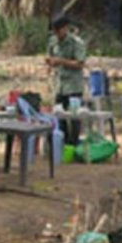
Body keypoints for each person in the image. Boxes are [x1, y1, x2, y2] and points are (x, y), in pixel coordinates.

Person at [46, 14, 86, 145]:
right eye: (54, 31)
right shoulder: (52, 41)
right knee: (59, 114)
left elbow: (80, 64)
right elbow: (50, 56)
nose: (57, 34)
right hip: (60, 85)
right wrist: (50, 63)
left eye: (59, 30)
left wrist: (61, 61)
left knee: (74, 117)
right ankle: (63, 142)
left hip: (74, 85)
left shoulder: (77, 43)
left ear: (66, 28)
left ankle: (74, 142)